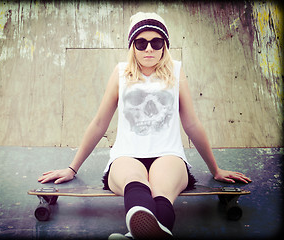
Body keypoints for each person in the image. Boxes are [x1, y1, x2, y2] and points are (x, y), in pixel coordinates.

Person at [38, 12, 251, 239]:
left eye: (156, 42)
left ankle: (133, 236)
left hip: (168, 155)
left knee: (161, 191)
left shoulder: (176, 71)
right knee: (135, 183)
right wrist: (72, 168)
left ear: (164, 46)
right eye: (141, 43)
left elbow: (191, 123)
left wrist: (215, 170)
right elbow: (100, 122)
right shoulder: (120, 73)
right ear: (133, 46)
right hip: (126, 155)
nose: (148, 49)